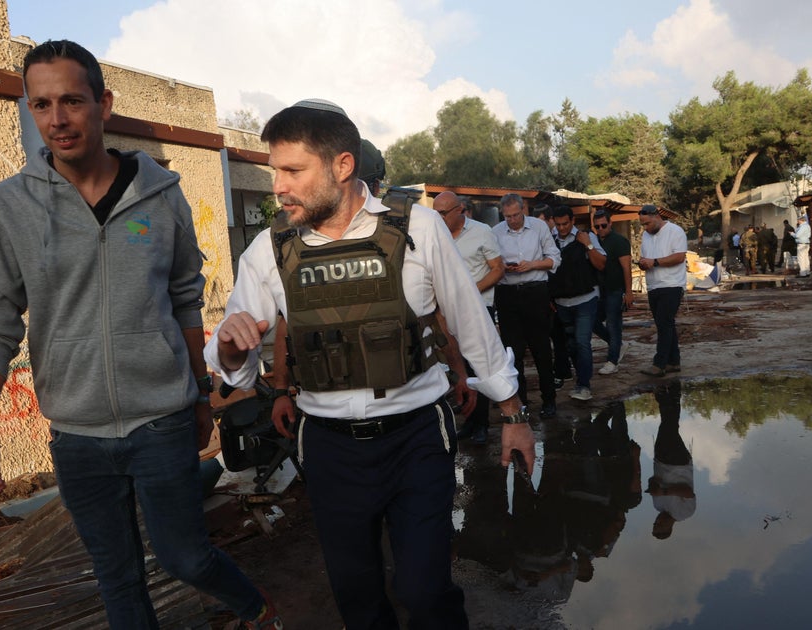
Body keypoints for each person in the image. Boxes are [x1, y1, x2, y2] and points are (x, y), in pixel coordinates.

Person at [0, 40, 279, 629]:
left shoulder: (159, 195)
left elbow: (186, 296)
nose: (57, 119)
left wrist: (202, 395)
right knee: (118, 579)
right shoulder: (10, 207)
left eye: (73, 101)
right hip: (78, 436)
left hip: (161, 420)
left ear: (103, 104)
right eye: (42, 105)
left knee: (185, 556)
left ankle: (255, 606)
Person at [207, 99, 536, 629]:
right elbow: (235, 360)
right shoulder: (270, 250)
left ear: (342, 166)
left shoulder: (420, 228)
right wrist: (229, 347)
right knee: (357, 595)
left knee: (426, 591)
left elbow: (471, 322)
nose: (278, 187)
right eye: (276, 172)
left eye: (293, 171)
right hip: (331, 446)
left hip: (417, 438)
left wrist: (514, 416)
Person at [434, 191, 505, 444]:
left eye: (443, 213)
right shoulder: (435, 235)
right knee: (459, 366)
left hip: (477, 309)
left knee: (479, 365)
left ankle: (482, 425)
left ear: (460, 210)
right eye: (436, 212)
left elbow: (498, 269)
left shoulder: (481, 231)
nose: (438, 217)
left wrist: (470, 292)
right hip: (446, 312)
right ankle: (470, 422)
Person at [494, 193, 562, 418]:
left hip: (535, 293)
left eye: (516, 215)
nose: (512, 220)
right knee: (513, 353)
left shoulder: (539, 228)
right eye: (508, 217)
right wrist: (504, 267)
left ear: (523, 209)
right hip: (507, 295)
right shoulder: (495, 232)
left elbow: (554, 259)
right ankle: (520, 403)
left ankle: (549, 400)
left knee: (541, 349)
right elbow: (491, 264)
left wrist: (531, 265)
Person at [549, 205, 604, 401]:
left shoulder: (586, 236)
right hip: (562, 302)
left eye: (565, 223)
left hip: (585, 300)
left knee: (582, 343)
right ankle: (581, 378)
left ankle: (584, 385)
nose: (562, 228)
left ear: (572, 221)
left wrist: (588, 244)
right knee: (571, 345)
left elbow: (601, 264)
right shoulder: (550, 239)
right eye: (558, 224)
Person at [635, 205, 687, 377]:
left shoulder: (675, 231)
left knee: (664, 323)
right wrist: (644, 263)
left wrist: (655, 262)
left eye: (648, 223)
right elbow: (646, 257)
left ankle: (659, 364)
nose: (646, 227)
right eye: (643, 225)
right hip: (653, 285)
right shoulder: (646, 235)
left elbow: (680, 257)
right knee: (665, 323)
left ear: (657, 216)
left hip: (671, 284)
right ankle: (674, 361)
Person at [531, 205, 573, 388]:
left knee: (560, 336)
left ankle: (562, 371)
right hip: (548, 295)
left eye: (542, 222)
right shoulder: (542, 240)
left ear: (550, 221)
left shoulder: (557, 240)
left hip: (561, 294)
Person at [648, 381, 695, 540]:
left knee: (669, 424)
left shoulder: (657, 506)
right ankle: (664, 393)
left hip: (660, 460)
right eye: (660, 525)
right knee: (669, 425)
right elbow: (688, 492)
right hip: (678, 463)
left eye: (655, 524)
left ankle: (672, 393)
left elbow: (654, 481)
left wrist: (652, 486)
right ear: (669, 529)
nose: (657, 521)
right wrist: (664, 491)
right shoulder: (685, 513)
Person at [591, 209, 634, 375]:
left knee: (613, 324)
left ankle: (612, 360)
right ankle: (618, 345)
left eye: (603, 225)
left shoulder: (619, 241)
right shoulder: (595, 241)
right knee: (593, 321)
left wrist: (628, 291)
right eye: (597, 226)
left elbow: (626, 267)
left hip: (615, 289)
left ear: (610, 224)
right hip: (598, 291)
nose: (600, 229)